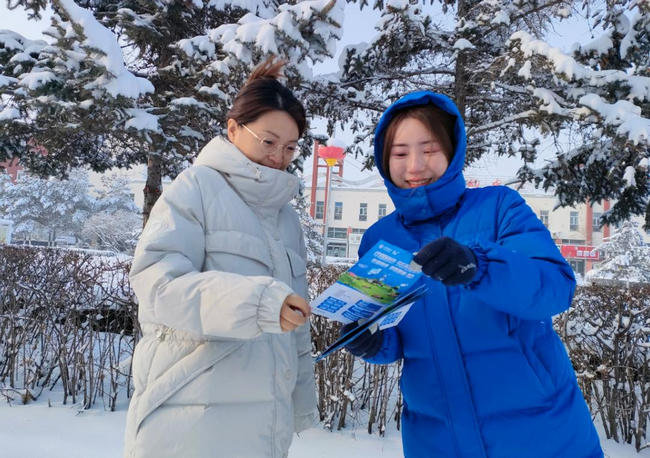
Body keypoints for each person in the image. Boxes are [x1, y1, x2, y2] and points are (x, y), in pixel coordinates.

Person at [342, 91, 603, 457]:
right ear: (385, 161)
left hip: (541, 435)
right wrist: (372, 340)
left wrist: (480, 266)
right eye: (400, 154)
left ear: (452, 151)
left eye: (429, 149)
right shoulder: (379, 239)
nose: (414, 166)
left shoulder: (500, 207)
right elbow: (396, 336)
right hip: (438, 440)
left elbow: (554, 289)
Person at [123, 58, 317, 458]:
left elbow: (293, 330)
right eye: (268, 142)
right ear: (233, 129)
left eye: (290, 147)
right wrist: (258, 303)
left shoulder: (286, 219)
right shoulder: (195, 189)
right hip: (190, 419)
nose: (278, 157)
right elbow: (158, 284)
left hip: (264, 427)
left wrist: (298, 403)